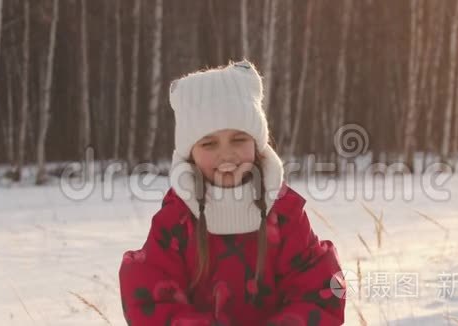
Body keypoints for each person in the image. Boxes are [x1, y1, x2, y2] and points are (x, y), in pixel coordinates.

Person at [119, 60, 346, 325]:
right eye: (209, 143)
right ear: (190, 152)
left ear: (257, 143)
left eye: (238, 139)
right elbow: (150, 296)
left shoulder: (283, 213)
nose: (226, 154)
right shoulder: (177, 219)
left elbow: (321, 289)